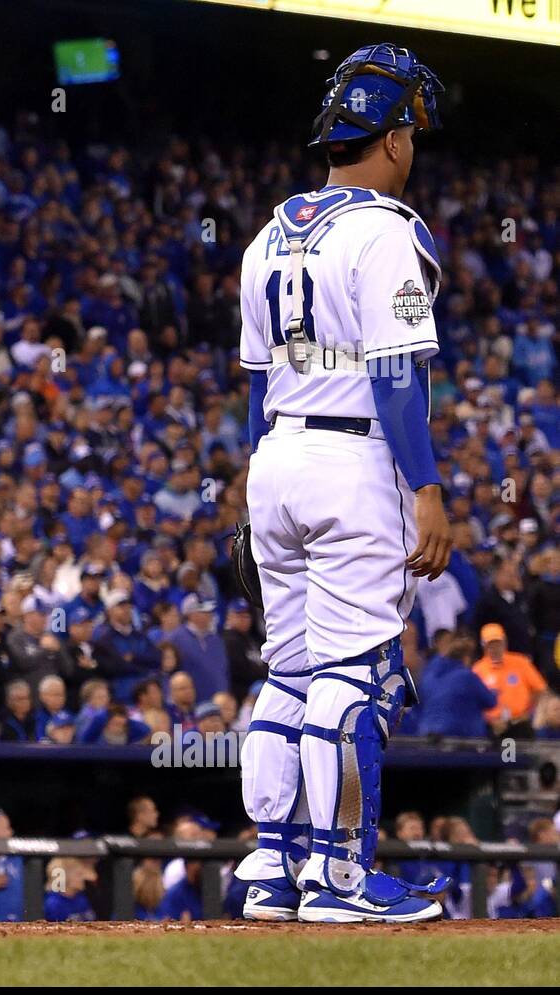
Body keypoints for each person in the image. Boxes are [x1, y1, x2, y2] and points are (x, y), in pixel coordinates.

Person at [234, 44, 451, 924]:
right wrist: (428, 490)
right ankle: (342, 878)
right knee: (355, 672)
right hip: (351, 461)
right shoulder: (387, 231)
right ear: (392, 140)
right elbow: (398, 379)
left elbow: (256, 386)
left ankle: (272, 868)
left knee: (288, 669)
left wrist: (256, 499)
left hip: (275, 456)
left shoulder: (265, 234)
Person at [472, 623, 547, 736]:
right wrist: (490, 721)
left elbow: (540, 689)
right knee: (498, 753)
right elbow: (473, 701)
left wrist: (528, 713)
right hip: (492, 727)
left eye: (498, 643)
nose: (495, 648)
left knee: (517, 753)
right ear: (484, 646)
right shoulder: (478, 669)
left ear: (505, 642)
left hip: (519, 724)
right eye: (490, 645)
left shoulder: (520, 662)